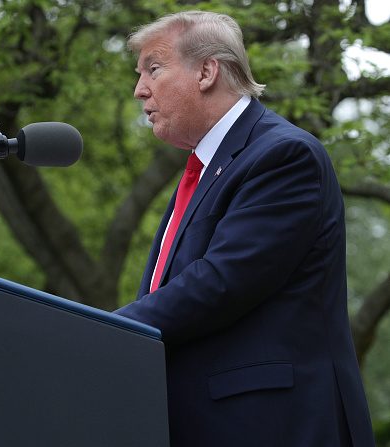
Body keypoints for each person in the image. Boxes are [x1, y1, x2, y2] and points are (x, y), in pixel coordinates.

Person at [114, 11, 375, 447]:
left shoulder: (284, 155)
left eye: (153, 69)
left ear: (206, 71)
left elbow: (220, 282)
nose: (140, 88)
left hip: (275, 426)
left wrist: (103, 328)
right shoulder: (203, 172)